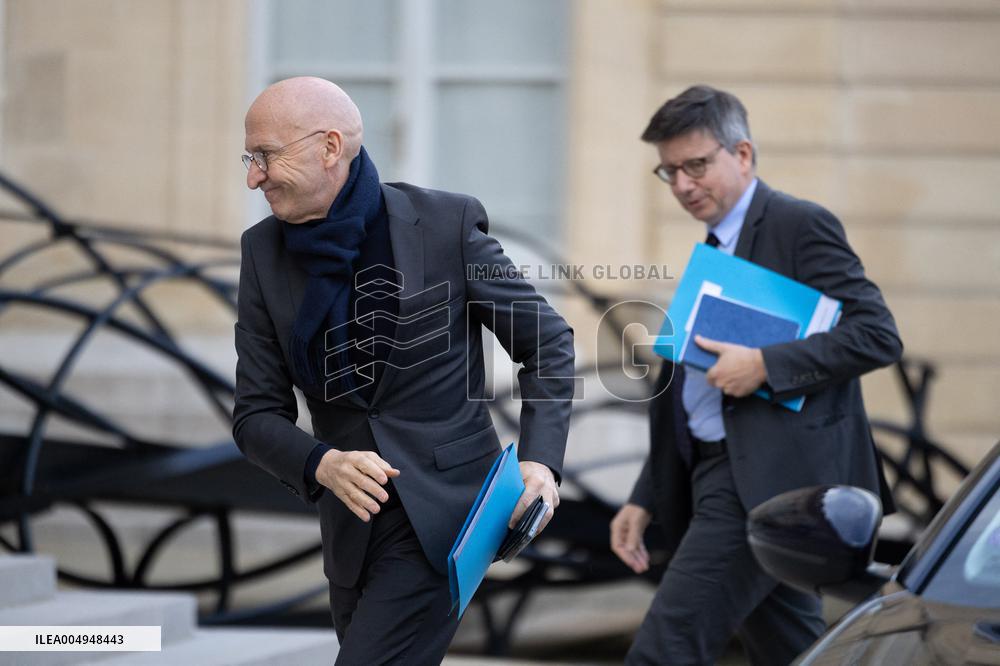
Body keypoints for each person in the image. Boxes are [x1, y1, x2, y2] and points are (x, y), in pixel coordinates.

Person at [233, 77, 575, 665]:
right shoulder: (261, 251)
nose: (253, 177)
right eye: (250, 158)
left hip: (446, 519)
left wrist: (540, 463)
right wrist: (321, 462)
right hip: (351, 533)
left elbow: (547, 345)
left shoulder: (447, 223)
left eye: (265, 157)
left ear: (330, 147)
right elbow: (255, 415)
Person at [610, 85, 902, 665]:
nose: (684, 185)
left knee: (664, 648)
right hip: (729, 476)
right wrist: (647, 492)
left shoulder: (799, 224)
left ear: (742, 154)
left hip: (766, 484)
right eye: (670, 172)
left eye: (696, 165)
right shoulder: (717, 245)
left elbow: (877, 334)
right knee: (794, 652)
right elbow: (692, 387)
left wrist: (766, 364)